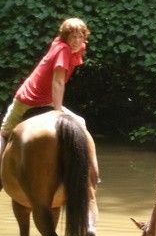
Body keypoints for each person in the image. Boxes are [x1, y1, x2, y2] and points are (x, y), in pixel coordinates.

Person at [0, 18, 90, 163]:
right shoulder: (63, 50)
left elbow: (59, 80)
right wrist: (58, 111)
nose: (77, 41)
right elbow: (58, 81)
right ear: (65, 37)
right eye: (73, 36)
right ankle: (87, 168)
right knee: (4, 132)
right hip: (29, 99)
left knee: (80, 123)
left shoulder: (67, 46)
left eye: (81, 36)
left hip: (44, 100)